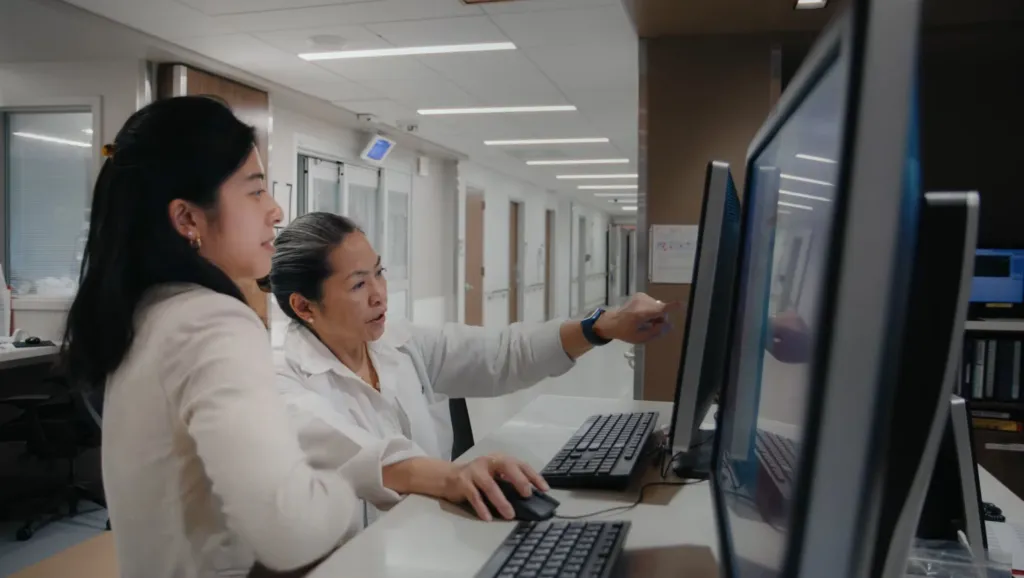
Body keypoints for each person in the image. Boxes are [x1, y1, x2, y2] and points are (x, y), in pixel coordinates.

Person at [61, 97, 365, 578]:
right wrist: (349, 500)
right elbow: (291, 532)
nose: (276, 210)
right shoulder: (212, 323)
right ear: (187, 219)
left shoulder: (150, 312)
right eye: (255, 191)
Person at [270, 212, 677, 526]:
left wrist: (600, 326)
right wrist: (453, 477)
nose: (379, 295)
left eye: (379, 272)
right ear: (304, 306)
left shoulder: (401, 343)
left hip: (430, 535)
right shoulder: (281, 382)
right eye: (359, 285)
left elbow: (503, 353)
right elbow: (361, 453)